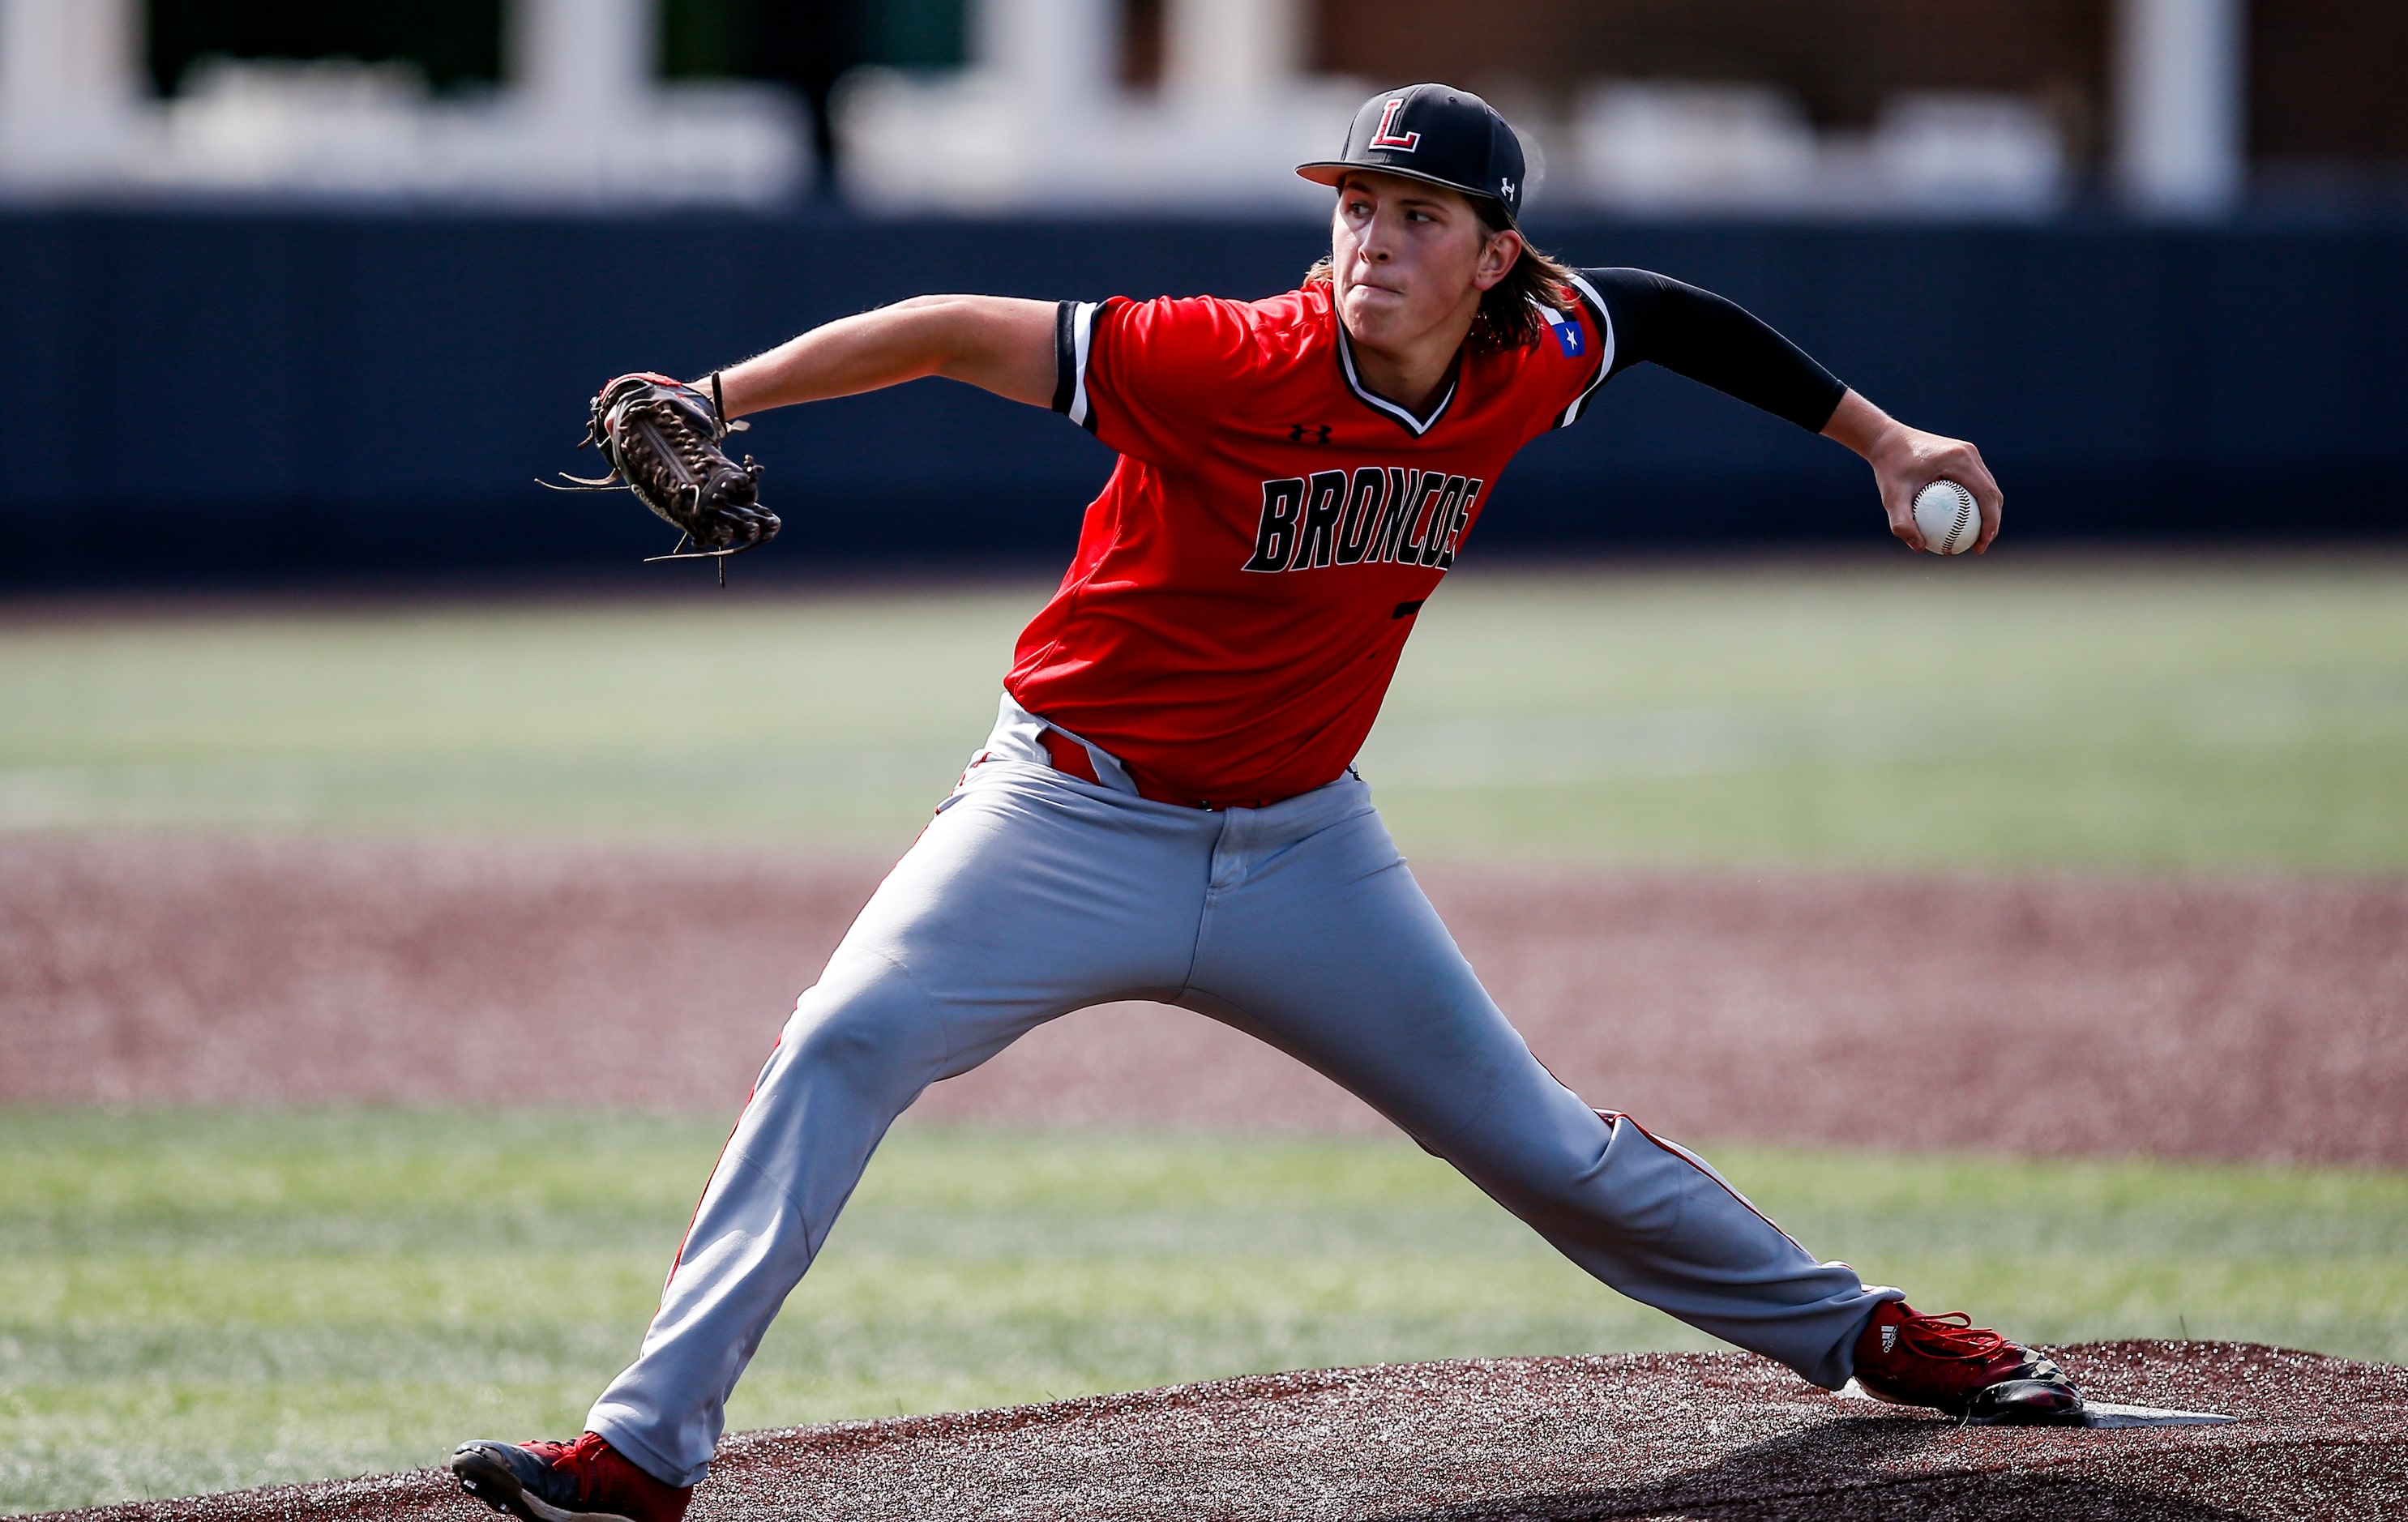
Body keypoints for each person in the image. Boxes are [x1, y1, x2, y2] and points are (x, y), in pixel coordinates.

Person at [451, 83, 2081, 1522]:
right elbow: (953, 325)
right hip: (1063, 822)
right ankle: (641, 1454)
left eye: (1416, 213)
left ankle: (1861, 1333)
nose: (1370, 236)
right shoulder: (1222, 357)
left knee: (1537, 1144)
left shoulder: (1539, 352)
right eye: (1355, 204)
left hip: (1307, 848)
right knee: (839, 1042)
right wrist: (720, 396)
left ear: (1492, 256)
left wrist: (1878, 436)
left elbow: (1658, 311)